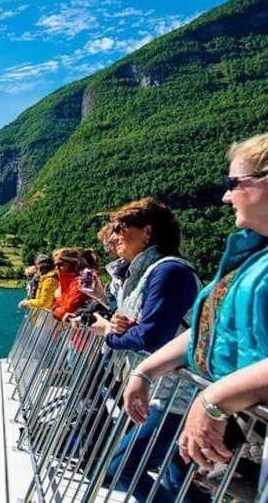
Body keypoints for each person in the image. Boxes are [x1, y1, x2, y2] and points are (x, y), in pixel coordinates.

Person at [125, 132, 268, 497]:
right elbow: (212, 328)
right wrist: (145, 370)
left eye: (232, 183)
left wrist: (213, 401)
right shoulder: (251, 258)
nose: (224, 195)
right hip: (241, 433)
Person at [87, 197, 201, 502]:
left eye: (121, 227)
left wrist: (110, 333)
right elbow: (138, 324)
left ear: (147, 231)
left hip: (174, 393)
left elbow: (152, 335)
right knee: (177, 473)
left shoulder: (169, 272)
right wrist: (118, 322)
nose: (113, 236)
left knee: (123, 466)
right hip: (160, 390)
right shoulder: (145, 274)